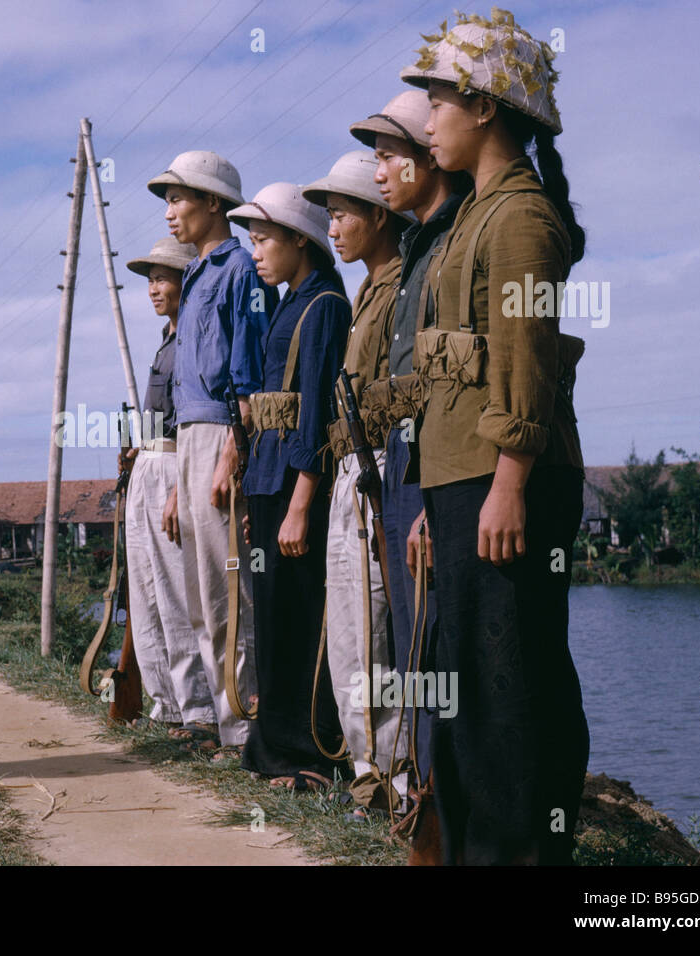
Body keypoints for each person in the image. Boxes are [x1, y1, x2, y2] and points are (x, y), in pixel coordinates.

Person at [400, 7, 589, 864]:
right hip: (463, 485)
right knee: (467, 694)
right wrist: (432, 500)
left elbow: (525, 361)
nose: (425, 116)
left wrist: (508, 482)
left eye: (437, 97)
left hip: (503, 482)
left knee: (511, 697)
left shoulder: (519, 220)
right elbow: (453, 379)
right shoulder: (471, 218)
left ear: (484, 107)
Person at [348, 90, 470, 794]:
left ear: (429, 158)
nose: (380, 170)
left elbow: (445, 381)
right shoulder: (423, 242)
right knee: (407, 635)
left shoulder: (449, 240)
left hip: (431, 464)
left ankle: (435, 791)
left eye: (390, 155)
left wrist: (425, 487)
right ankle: (422, 789)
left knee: (431, 636)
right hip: (400, 460)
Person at [148, 151, 279, 759]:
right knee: (203, 593)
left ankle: (247, 727)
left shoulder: (239, 272)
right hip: (193, 441)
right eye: (169, 200)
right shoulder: (199, 273)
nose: (171, 212)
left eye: (180, 199)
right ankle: (226, 728)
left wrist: (235, 452)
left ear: (214, 205)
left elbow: (249, 377)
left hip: (226, 434)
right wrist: (179, 477)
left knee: (232, 593)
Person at [224, 183, 352, 791]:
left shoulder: (323, 304)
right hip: (271, 483)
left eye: (264, 239)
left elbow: (317, 412)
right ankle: (272, 747)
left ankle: (308, 756)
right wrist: (257, 493)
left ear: (300, 239)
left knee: (300, 619)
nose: (255, 252)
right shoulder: (288, 302)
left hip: (298, 488)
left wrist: (300, 504)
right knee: (271, 619)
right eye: (251, 240)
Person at [303, 151, 414, 815]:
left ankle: (394, 780)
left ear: (378, 216)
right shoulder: (369, 288)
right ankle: (367, 771)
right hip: (353, 469)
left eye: (342, 213)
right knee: (351, 633)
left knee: (376, 632)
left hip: (378, 470)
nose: (333, 227)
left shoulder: (400, 284)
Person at [120, 236, 218, 738]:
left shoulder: (193, 340)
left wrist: (178, 484)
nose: (154, 288)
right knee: (146, 590)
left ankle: (198, 707)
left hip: (177, 467)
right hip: (150, 464)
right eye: (151, 279)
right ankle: (167, 704)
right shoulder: (165, 340)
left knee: (179, 590)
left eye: (163, 277)